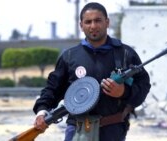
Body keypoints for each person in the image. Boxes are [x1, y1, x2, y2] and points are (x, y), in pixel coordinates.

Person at [33, 2, 151, 141]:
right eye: (88, 22)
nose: (93, 26)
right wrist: (42, 111)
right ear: (81, 25)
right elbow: (52, 89)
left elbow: (144, 86)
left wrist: (123, 92)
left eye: (98, 20)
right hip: (77, 130)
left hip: (112, 131)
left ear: (107, 22)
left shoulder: (126, 54)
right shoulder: (69, 57)